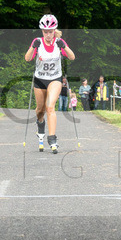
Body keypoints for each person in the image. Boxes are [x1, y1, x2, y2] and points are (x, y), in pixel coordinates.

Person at [24, 14, 75, 153]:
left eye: (50, 32)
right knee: (40, 110)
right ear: (42, 31)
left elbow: (72, 57)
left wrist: (64, 46)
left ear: (54, 31)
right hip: (40, 80)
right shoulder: (37, 42)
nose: (48, 35)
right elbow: (28, 58)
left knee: (50, 107)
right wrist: (32, 47)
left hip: (55, 79)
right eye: (45, 32)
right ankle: (40, 126)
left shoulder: (59, 42)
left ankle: (52, 138)